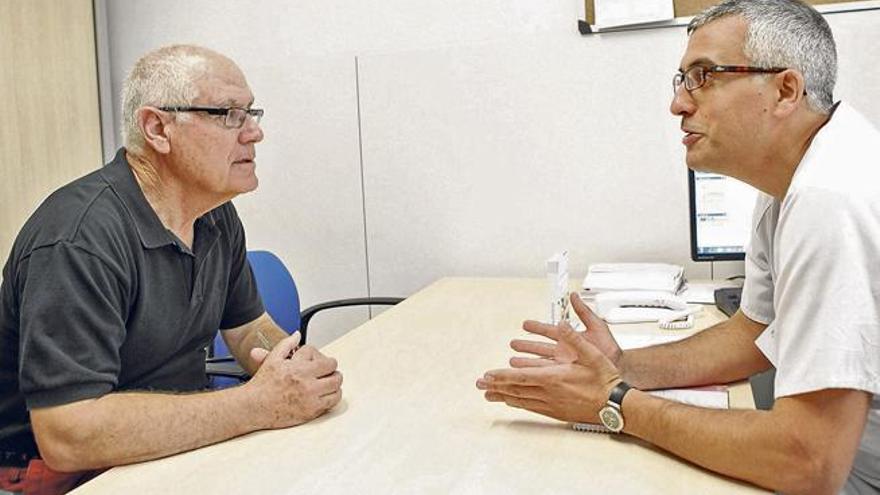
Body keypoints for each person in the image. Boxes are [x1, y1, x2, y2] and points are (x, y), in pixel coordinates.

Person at [477, 1, 879, 493]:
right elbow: (754, 331)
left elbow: (809, 461)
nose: (679, 104)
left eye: (704, 76)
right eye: (683, 80)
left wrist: (613, 403)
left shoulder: (830, 198)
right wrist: (622, 368)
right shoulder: (793, 178)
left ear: (785, 90)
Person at [0, 45, 343, 494]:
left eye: (251, 113)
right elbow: (68, 433)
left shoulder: (213, 213)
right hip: (57, 475)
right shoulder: (79, 239)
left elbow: (247, 329)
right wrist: (255, 405)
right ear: (157, 128)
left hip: (169, 446)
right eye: (228, 114)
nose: (254, 133)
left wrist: (291, 363)